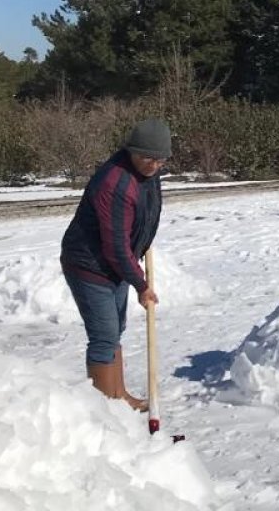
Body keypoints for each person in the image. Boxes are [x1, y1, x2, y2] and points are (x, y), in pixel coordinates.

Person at [60, 118, 170, 411]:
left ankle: (118, 398)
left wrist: (143, 244)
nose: (154, 165)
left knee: (114, 331)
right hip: (89, 264)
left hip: (116, 263)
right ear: (131, 150)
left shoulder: (148, 173)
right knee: (104, 337)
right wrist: (141, 285)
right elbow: (115, 245)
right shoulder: (114, 183)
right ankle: (105, 413)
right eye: (147, 157)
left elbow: (147, 213)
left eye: (160, 159)